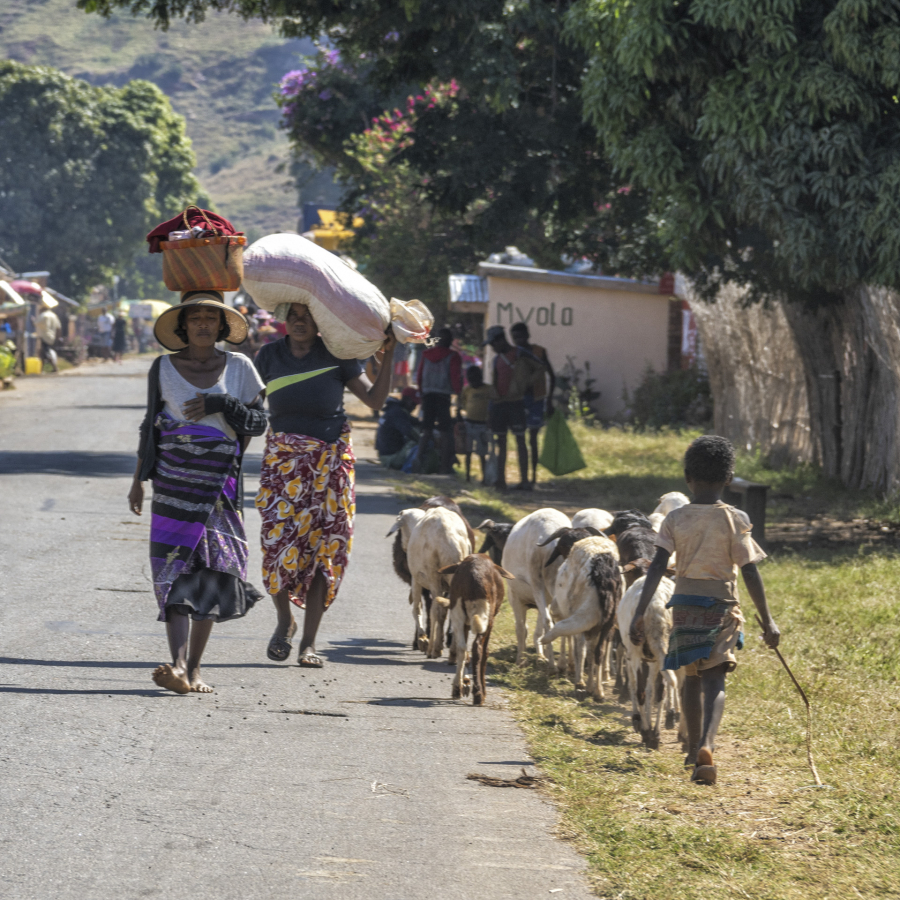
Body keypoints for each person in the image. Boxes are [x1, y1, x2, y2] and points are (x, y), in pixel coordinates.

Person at [128, 291, 267, 694]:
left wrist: (221, 402)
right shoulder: (163, 367)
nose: (204, 324)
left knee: (216, 571)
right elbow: (150, 425)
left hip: (219, 485)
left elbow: (259, 422)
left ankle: (195, 670)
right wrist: (138, 479)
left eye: (211, 317)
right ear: (183, 326)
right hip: (173, 484)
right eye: (196, 318)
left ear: (222, 326)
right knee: (172, 570)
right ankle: (177, 666)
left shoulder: (240, 367)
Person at [629, 435, 780, 785]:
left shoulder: (675, 519)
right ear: (729, 478)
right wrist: (768, 620)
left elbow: (656, 567)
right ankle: (707, 746)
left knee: (691, 679)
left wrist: (639, 610)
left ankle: (692, 747)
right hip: (722, 606)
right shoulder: (735, 518)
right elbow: (750, 570)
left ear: (687, 477)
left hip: (683, 607)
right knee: (716, 679)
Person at [255, 302, 395, 668]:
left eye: (308, 316)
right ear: (283, 321)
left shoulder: (338, 354)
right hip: (282, 467)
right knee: (275, 547)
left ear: (321, 322)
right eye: (294, 317)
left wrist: (389, 357)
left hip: (329, 467)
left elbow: (375, 400)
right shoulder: (268, 356)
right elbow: (249, 406)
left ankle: (308, 644)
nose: (300, 322)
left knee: (322, 552)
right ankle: (285, 619)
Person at [483, 325, 546, 491]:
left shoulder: (519, 354)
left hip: (517, 402)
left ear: (501, 340)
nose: (492, 347)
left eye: (493, 343)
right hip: (500, 404)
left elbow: (540, 367)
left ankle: (524, 480)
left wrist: (525, 384)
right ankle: (501, 480)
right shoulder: (496, 360)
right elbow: (495, 383)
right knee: (501, 442)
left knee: (520, 441)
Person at [510, 322, 555, 485]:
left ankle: (534, 477)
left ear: (527, 335)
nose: (518, 340)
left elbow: (552, 375)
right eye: (515, 338)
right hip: (519, 400)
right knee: (520, 439)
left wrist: (549, 400)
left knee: (533, 440)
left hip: (536, 399)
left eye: (520, 336)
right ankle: (524, 478)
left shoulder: (539, 352)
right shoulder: (514, 354)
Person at [415, 325, 462, 474]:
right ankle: (444, 467)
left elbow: (419, 376)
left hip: (428, 395)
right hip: (443, 396)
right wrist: (458, 392)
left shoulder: (426, 354)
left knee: (426, 430)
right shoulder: (453, 356)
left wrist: (422, 392)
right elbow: (455, 377)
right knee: (445, 431)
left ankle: (417, 461)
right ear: (449, 341)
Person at [458, 365, 491, 482]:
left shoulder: (488, 389)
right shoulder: (467, 390)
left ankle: (484, 477)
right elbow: (462, 403)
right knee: (468, 451)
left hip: (483, 425)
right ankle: (467, 475)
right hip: (469, 424)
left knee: (482, 452)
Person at [377, 387, 420, 469]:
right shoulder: (398, 414)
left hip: (384, 455)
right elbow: (410, 433)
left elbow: (415, 421)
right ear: (406, 400)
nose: (414, 407)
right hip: (391, 457)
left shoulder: (395, 410)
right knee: (417, 444)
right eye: (413, 403)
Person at [35, 301, 61, 374]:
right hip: (52, 336)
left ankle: (54, 367)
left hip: (44, 336)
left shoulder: (43, 315)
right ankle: (41, 369)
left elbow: (36, 323)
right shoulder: (53, 315)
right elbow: (58, 327)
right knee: (43, 353)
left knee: (46, 352)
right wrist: (58, 337)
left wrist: (32, 320)